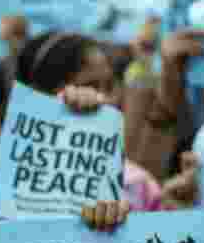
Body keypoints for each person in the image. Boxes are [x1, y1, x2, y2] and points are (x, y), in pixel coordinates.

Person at [15, 32, 164, 212]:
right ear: (42, 97)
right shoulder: (12, 180)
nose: (105, 100)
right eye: (88, 86)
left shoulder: (138, 184)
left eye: (109, 86)